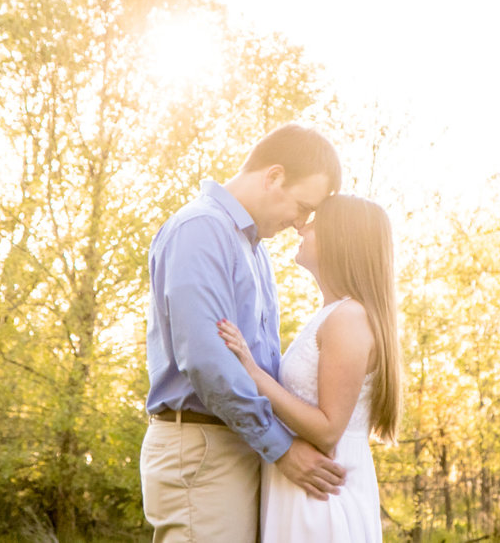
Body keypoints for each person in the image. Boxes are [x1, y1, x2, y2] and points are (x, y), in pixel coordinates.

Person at [140, 124, 347, 543]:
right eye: (302, 206)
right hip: (203, 447)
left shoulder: (253, 248)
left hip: (238, 443)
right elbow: (207, 360)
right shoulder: (201, 229)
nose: (300, 223)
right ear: (274, 176)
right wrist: (283, 449)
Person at [218, 194, 403, 542]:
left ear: (341, 239)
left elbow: (328, 429)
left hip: (322, 496)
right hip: (308, 487)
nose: (302, 225)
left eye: (316, 221)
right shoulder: (333, 314)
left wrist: (253, 373)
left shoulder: (348, 318)